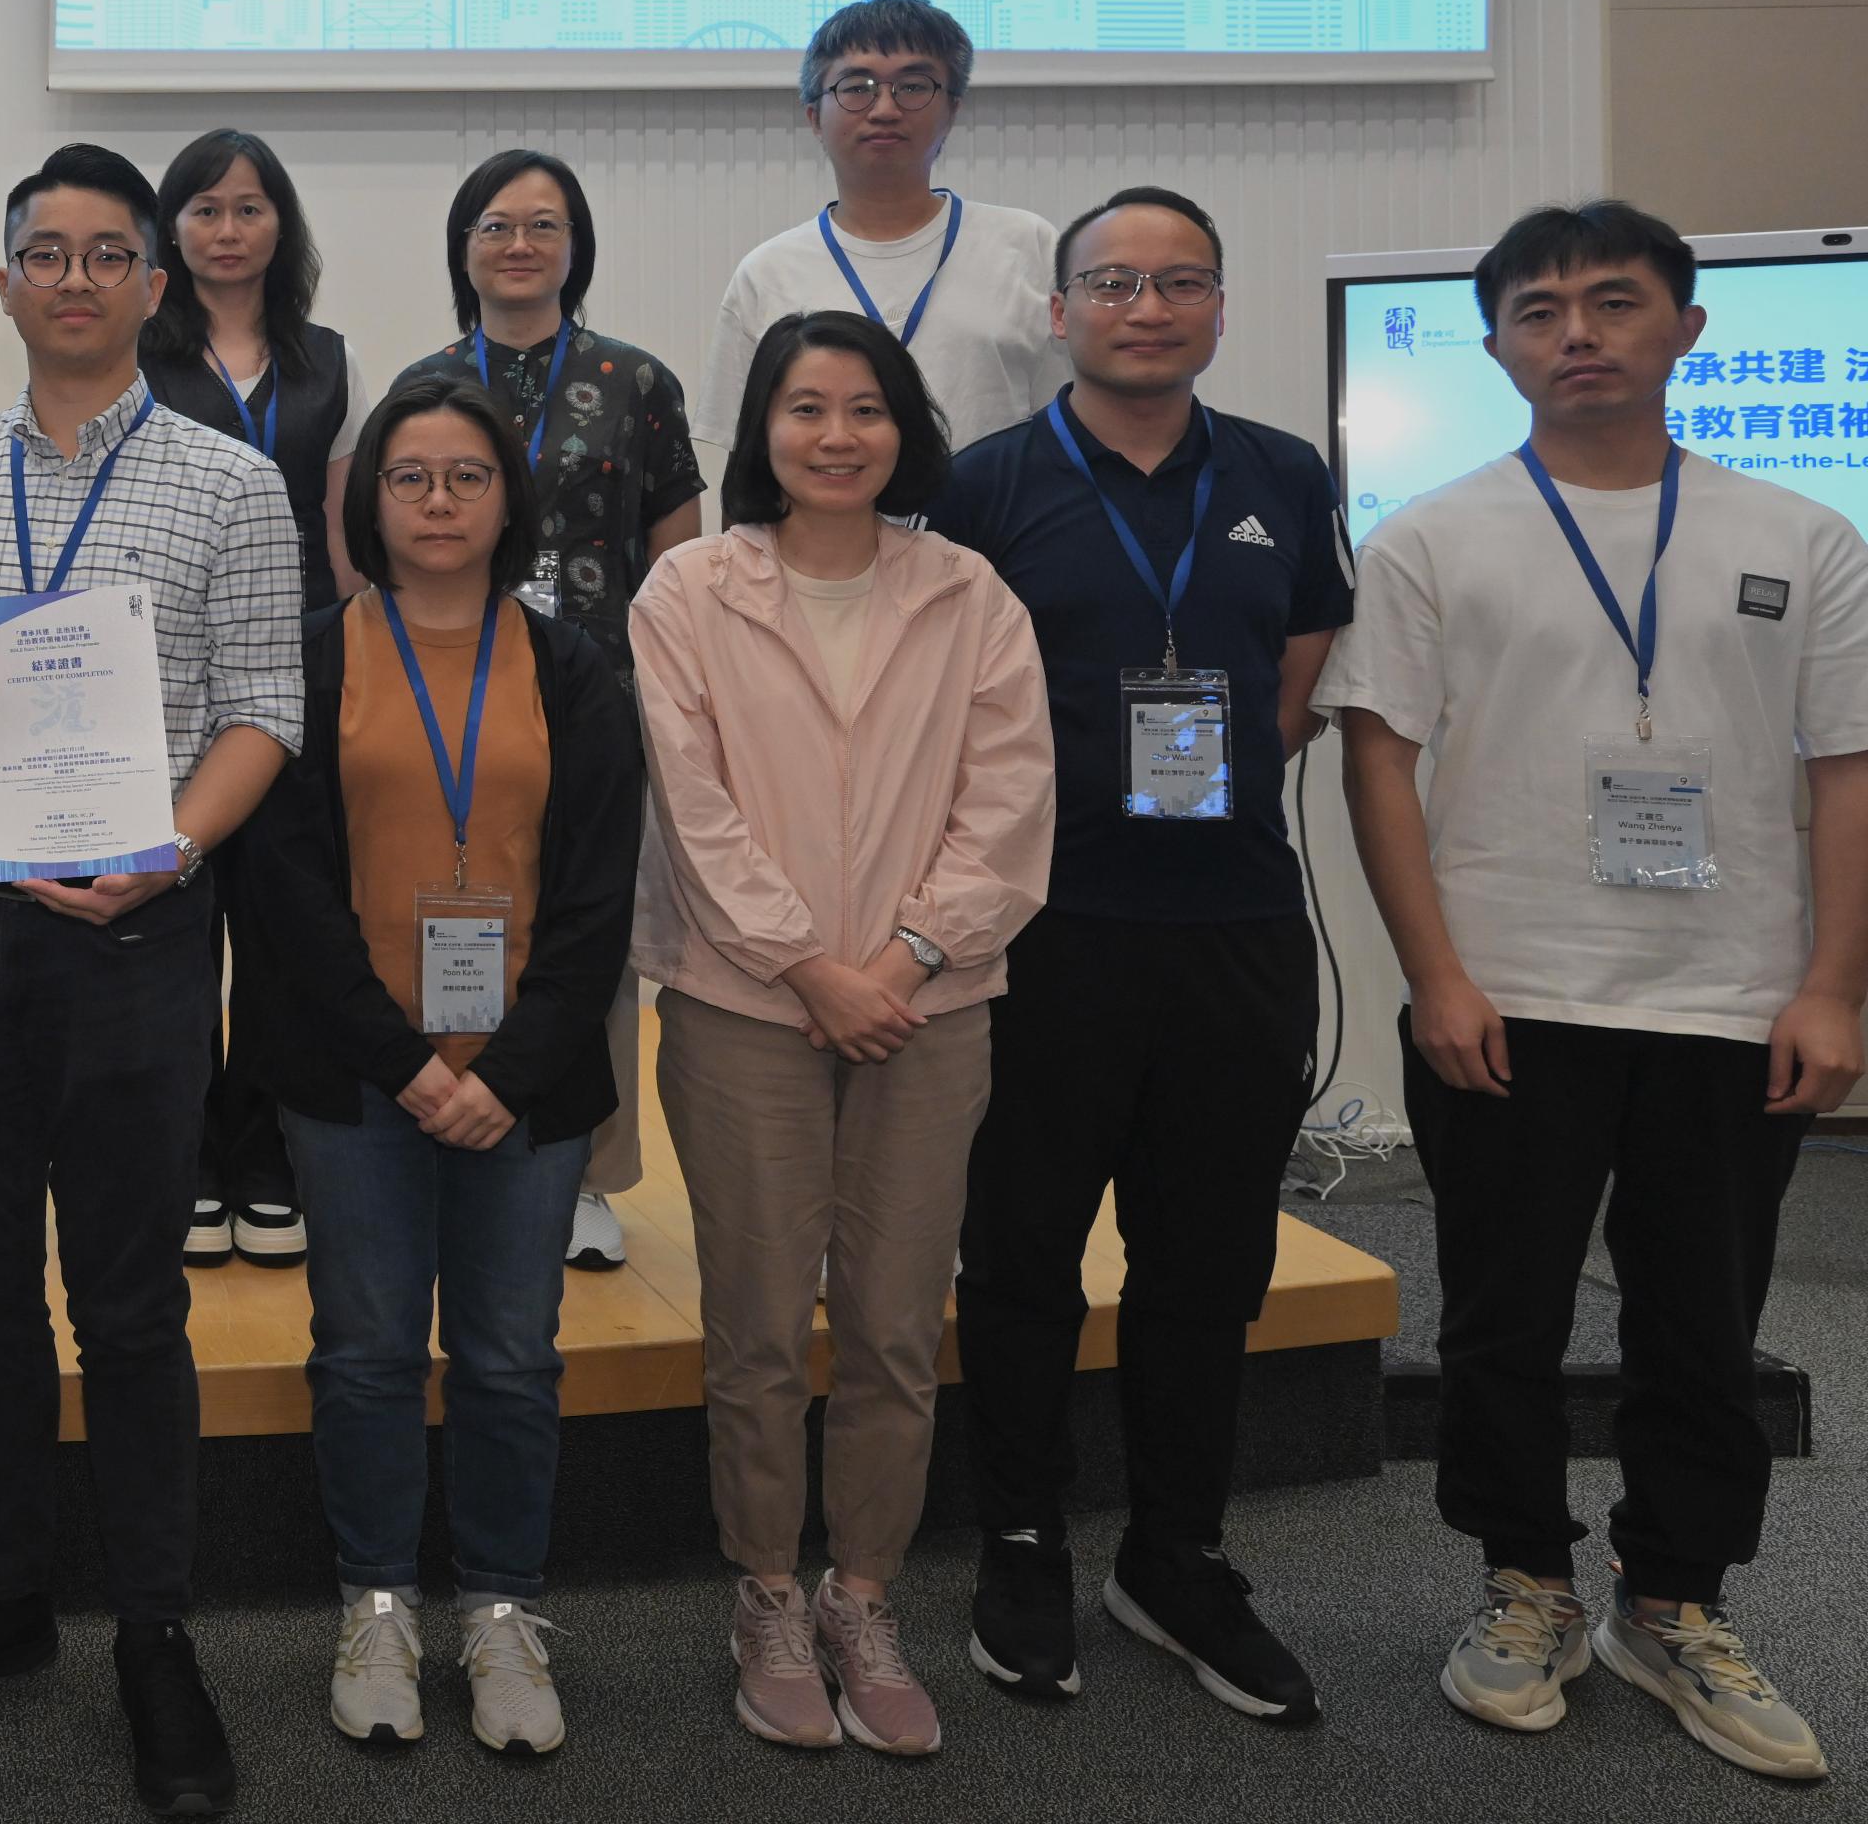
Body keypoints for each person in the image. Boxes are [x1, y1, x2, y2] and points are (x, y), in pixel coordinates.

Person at [1320, 200, 1867, 1781]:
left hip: (1733, 1000)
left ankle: (1676, 1599)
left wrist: (1833, 987)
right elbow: (1380, 762)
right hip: (1510, 996)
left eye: (1615, 303)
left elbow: (1846, 772)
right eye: (1541, 310)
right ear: (1495, 346)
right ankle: (1525, 1583)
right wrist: (1434, 976)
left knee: (1704, 1324)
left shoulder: (1800, 536)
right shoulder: (1432, 534)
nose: (1578, 334)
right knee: (1503, 1316)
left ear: (1686, 330)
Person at [0, 143, 304, 1821]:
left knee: (130, 1305)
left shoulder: (230, 484)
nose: (78, 279)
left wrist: (172, 851)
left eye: (112, 254)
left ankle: (156, 1635)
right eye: (47, 252)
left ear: (155, 285)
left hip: (137, 927)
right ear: (7, 281)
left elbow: (267, 706)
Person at [929, 188, 1352, 1722]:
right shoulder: (986, 485)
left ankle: (1177, 1553)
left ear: (1222, 309)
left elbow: (1295, 678)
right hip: (1047, 936)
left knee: (1208, 1266)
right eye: (1113, 282)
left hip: (1236, 932)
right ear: (1062, 310)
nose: (1146, 307)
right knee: (1025, 1260)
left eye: (1181, 284)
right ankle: (1026, 1541)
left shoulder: (1285, 478)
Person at [626, 309, 1048, 1760]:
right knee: (755, 1327)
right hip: (746, 1004)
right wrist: (813, 965)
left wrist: (910, 957)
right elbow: (693, 806)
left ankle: (862, 1597)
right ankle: (762, 1593)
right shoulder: (688, 589)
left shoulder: (971, 592)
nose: (836, 435)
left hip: (930, 1010)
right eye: (805, 408)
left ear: (903, 428)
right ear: (765, 429)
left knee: (888, 1328)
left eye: (865, 409)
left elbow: (1008, 805)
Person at [227, 369, 644, 1758]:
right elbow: (282, 897)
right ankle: (380, 1602)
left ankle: (506, 1614)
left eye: (468, 475)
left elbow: (595, 905)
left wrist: (505, 1073)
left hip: (525, 1085)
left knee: (514, 1359)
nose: (440, 501)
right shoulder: (312, 656)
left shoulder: (576, 667)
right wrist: (409, 1066)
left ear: (507, 498)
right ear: (369, 500)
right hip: (356, 1081)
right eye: (411, 477)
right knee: (362, 1353)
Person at [395, 149, 705, 1278]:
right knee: (455, 903)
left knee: (588, 935)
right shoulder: (426, 382)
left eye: (542, 225)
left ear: (575, 246)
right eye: (492, 224)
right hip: (447, 700)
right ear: (461, 247)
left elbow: (676, 565)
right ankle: (441, 1131)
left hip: (593, 698)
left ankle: (584, 1172)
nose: (517, 245)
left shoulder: (638, 380)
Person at [140, 128, 359, 1273]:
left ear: (282, 225)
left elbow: (339, 535)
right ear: (170, 230)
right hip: (172, 672)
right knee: (178, 926)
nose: (229, 231)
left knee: (278, 928)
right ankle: (187, 1157)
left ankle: (266, 1150)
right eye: (206, 210)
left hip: (304, 665)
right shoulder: (136, 349)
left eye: (250, 208)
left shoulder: (329, 357)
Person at [696, 0, 1059, 485]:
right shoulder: (768, 271)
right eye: (856, 87)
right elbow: (749, 463)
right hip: (824, 550)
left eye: (913, 86)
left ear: (952, 110)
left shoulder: (1027, 245)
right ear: (813, 118)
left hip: (996, 543)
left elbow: (1067, 424)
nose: (885, 109)